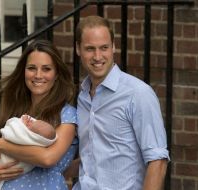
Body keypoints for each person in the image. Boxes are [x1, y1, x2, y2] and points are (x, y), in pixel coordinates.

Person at [71, 15, 170, 190]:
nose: (97, 56)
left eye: (104, 48)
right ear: (78, 49)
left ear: (113, 47)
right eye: (90, 49)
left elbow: (158, 161)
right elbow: (94, 155)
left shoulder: (138, 94)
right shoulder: (83, 97)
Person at [0, 39, 78, 190]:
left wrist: (0, 144)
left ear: (56, 75)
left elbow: (47, 158)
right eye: (31, 68)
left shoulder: (67, 114)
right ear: (23, 72)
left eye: (46, 69)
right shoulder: (15, 110)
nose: (38, 75)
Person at [0, 115, 57, 190]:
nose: (32, 121)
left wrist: (21, 124)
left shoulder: (27, 138)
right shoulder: (39, 140)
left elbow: (12, 133)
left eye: (33, 124)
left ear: (34, 135)